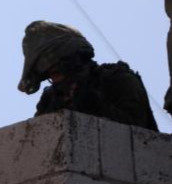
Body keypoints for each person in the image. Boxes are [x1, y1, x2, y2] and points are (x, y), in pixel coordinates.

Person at [18, 20, 158, 131]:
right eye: (49, 75)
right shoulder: (50, 99)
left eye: (57, 71)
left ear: (76, 61)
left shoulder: (117, 79)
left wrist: (94, 106)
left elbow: (139, 132)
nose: (56, 80)